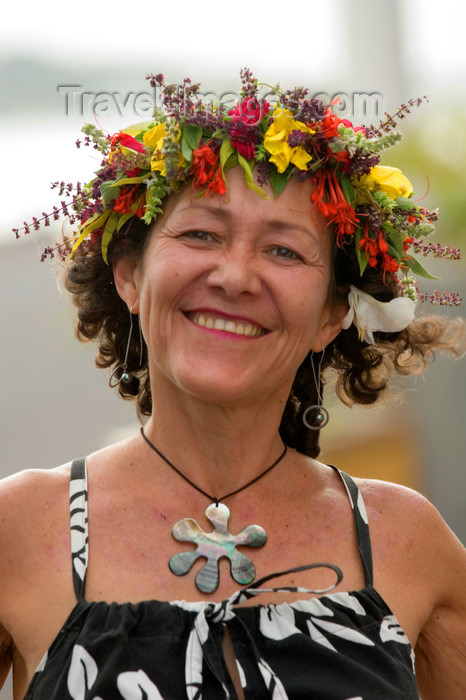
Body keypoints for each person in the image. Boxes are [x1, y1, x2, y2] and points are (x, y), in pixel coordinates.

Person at [2, 69, 465, 699]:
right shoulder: (19, 530)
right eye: (200, 234)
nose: (235, 275)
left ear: (332, 316)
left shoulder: (407, 542)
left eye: (283, 251)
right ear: (131, 277)